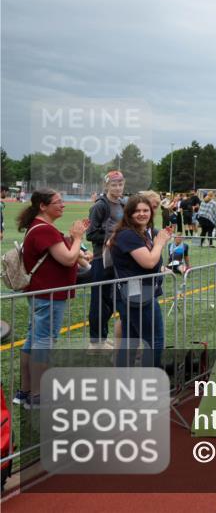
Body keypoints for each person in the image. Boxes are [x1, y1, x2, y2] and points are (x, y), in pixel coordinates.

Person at [13, 189, 90, 408]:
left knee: (34, 339)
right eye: (58, 202)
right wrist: (76, 238)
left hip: (42, 292)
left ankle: (26, 392)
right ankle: (38, 395)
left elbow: (62, 255)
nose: (63, 205)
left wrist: (74, 245)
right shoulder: (44, 229)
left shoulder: (40, 227)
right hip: (48, 293)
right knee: (43, 341)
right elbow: (66, 259)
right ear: (43, 206)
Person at [109, 195, 172, 368]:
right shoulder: (128, 234)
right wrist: (159, 243)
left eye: (146, 210)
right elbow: (149, 262)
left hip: (136, 294)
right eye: (137, 211)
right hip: (137, 295)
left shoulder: (139, 233)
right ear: (128, 213)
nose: (142, 214)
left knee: (130, 342)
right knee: (155, 341)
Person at [85, 170, 126, 350]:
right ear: (106, 186)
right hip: (101, 258)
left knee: (110, 301)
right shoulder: (100, 206)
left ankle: (102, 338)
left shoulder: (123, 204)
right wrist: (113, 236)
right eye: (114, 184)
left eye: (120, 184)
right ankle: (95, 341)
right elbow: (91, 234)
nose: (117, 187)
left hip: (116, 259)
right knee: (99, 301)